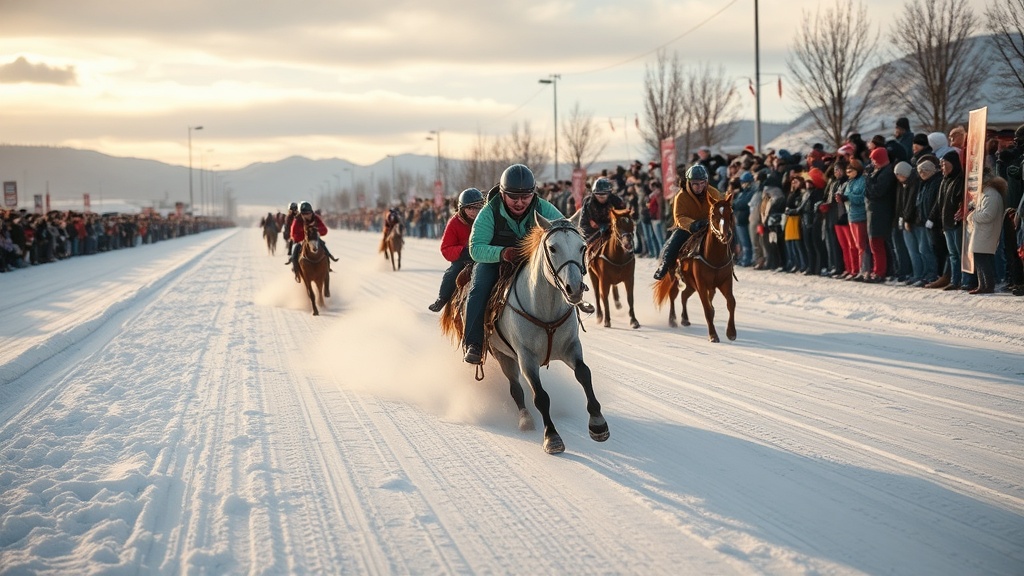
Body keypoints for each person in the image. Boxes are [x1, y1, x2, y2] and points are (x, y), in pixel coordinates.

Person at [461, 164, 569, 365]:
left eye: (526, 197)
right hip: (494, 260)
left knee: (562, 278)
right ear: (502, 194)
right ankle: (473, 344)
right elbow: (475, 248)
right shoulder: (489, 212)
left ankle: (565, 334)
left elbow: (565, 231)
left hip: (531, 260)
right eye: (513, 197)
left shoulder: (543, 208)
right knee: (478, 289)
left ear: (533, 194)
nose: (520, 202)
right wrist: (502, 253)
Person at [653, 164, 723, 280]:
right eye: (695, 184)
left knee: (726, 235)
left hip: (710, 225)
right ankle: (664, 266)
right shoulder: (681, 196)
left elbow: (720, 208)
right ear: (689, 183)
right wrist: (692, 224)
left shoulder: (713, 192)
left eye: (702, 183)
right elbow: (679, 216)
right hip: (688, 227)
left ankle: (729, 262)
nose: (699, 187)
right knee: (674, 243)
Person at [428, 188, 485, 312]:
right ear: (462, 209)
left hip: (483, 255)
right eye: (469, 208)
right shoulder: (454, 222)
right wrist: (463, 250)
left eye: (477, 208)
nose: (473, 212)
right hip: (463, 258)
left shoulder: (486, 219)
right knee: (452, 273)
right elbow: (445, 248)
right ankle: (442, 299)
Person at [966, 176, 1007, 294]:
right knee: (979, 258)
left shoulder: (991, 195)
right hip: (982, 231)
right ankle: (982, 285)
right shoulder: (986, 194)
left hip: (986, 232)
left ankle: (988, 285)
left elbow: (989, 215)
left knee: (983, 260)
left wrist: (972, 216)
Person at [579, 177, 626, 251]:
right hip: (594, 233)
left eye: (604, 194)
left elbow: (624, 218)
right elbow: (583, 224)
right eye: (598, 194)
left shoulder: (617, 202)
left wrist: (613, 226)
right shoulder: (588, 202)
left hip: (613, 231)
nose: (601, 196)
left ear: (609, 193)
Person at [286, 201, 329, 280]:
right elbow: (293, 234)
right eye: (304, 214)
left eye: (309, 213)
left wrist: (316, 230)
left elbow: (325, 230)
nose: (307, 216)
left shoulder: (315, 218)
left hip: (314, 239)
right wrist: (303, 237)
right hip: (301, 241)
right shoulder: (297, 220)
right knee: (294, 251)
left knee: (324, 248)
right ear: (301, 214)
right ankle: (296, 270)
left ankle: (327, 267)